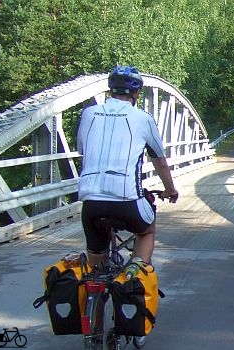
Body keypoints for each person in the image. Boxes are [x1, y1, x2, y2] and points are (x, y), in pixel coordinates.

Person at [77, 65, 179, 275]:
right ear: (136, 93)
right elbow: (159, 161)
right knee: (146, 230)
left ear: (110, 90)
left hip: (91, 203)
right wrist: (170, 189)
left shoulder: (89, 114)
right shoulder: (143, 119)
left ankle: (94, 296)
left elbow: (82, 150)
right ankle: (135, 273)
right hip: (127, 201)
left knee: (95, 265)